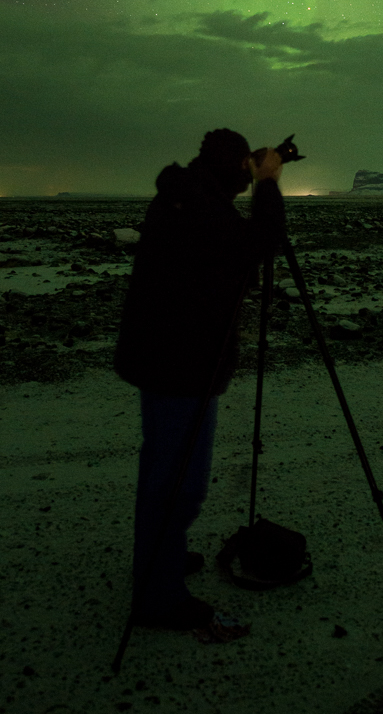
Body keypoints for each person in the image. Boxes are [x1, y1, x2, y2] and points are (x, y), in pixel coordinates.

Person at [114, 129, 286, 643]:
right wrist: (270, 185)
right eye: (244, 168)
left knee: (166, 473)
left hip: (167, 358)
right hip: (182, 364)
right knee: (178, 483)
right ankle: (157, 596)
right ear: (234, 166)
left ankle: (159, 559)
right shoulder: (202, 210)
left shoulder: (187, 195)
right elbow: (264, 242)